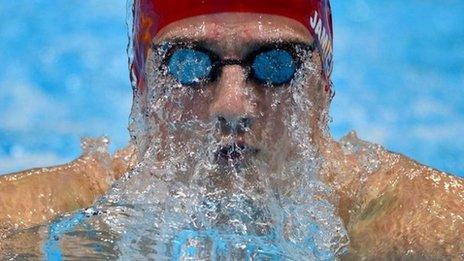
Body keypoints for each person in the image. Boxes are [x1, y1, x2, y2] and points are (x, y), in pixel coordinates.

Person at [1, 0, 463, 259]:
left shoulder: (417, 226)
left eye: (277, 65)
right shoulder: (48, 219)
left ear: (323, 88)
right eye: (188, 64)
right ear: (140, 87)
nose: (232, 106)